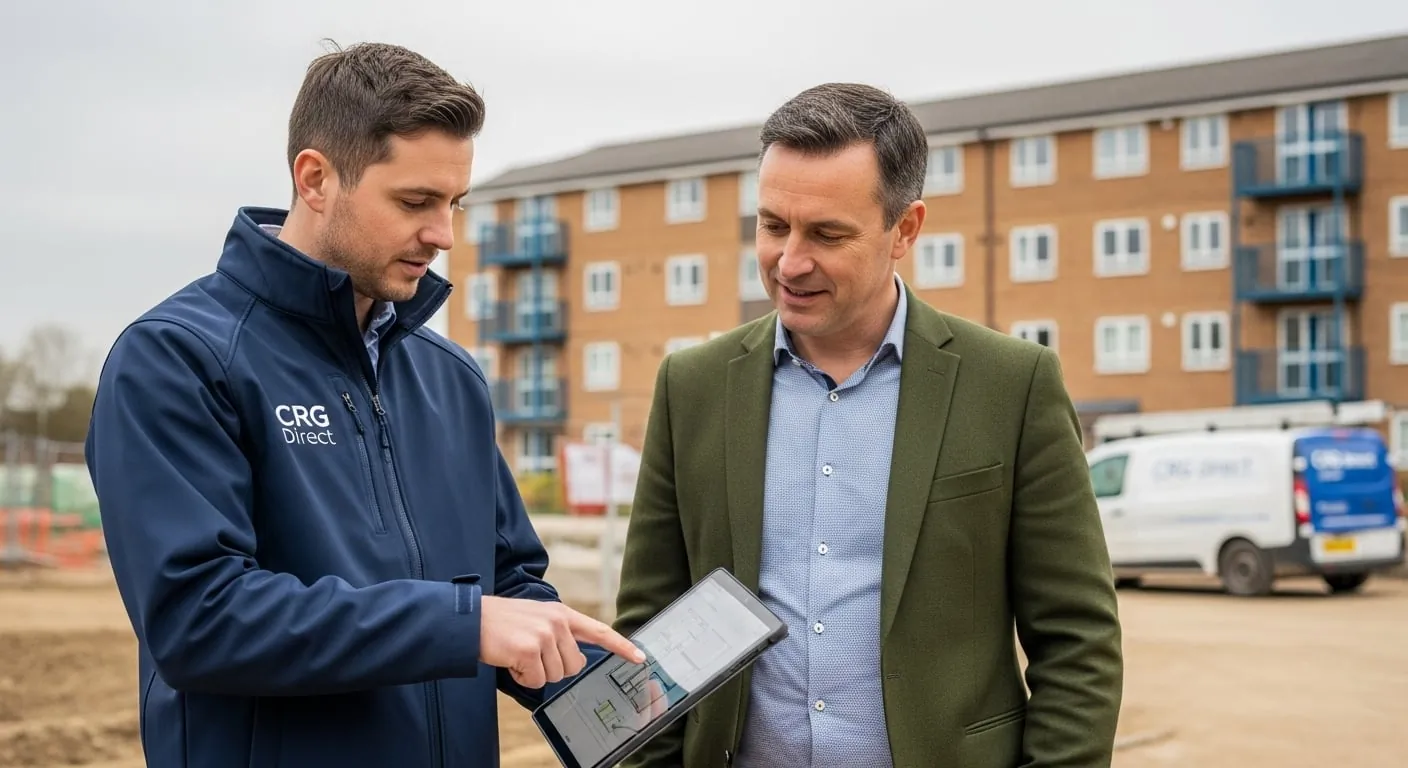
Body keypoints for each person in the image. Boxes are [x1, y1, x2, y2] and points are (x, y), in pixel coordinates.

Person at [85, 41, 643, 768]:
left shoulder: (451, 377)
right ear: (315, 178)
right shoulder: (176, 359)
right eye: (415, 202)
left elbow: (508, 587)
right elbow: (200, 620)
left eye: (453, 204)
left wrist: (606, 688)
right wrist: (462, 625)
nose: (443, 235)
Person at [613, 82, 1124, 767]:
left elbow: (1078, 641)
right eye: (772, 225)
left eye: (827, 234)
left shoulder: (1012, 384)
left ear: (905, 229)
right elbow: (649, 631)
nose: (789, 262)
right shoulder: (692, 387)